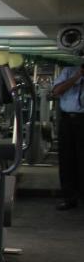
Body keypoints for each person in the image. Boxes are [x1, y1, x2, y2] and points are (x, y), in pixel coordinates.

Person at [52, 62, 84, 210]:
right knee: (66, 159)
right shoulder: (69, 71)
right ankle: (69, 197)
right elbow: (57, 91)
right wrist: (77, 77)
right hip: (67, 119)